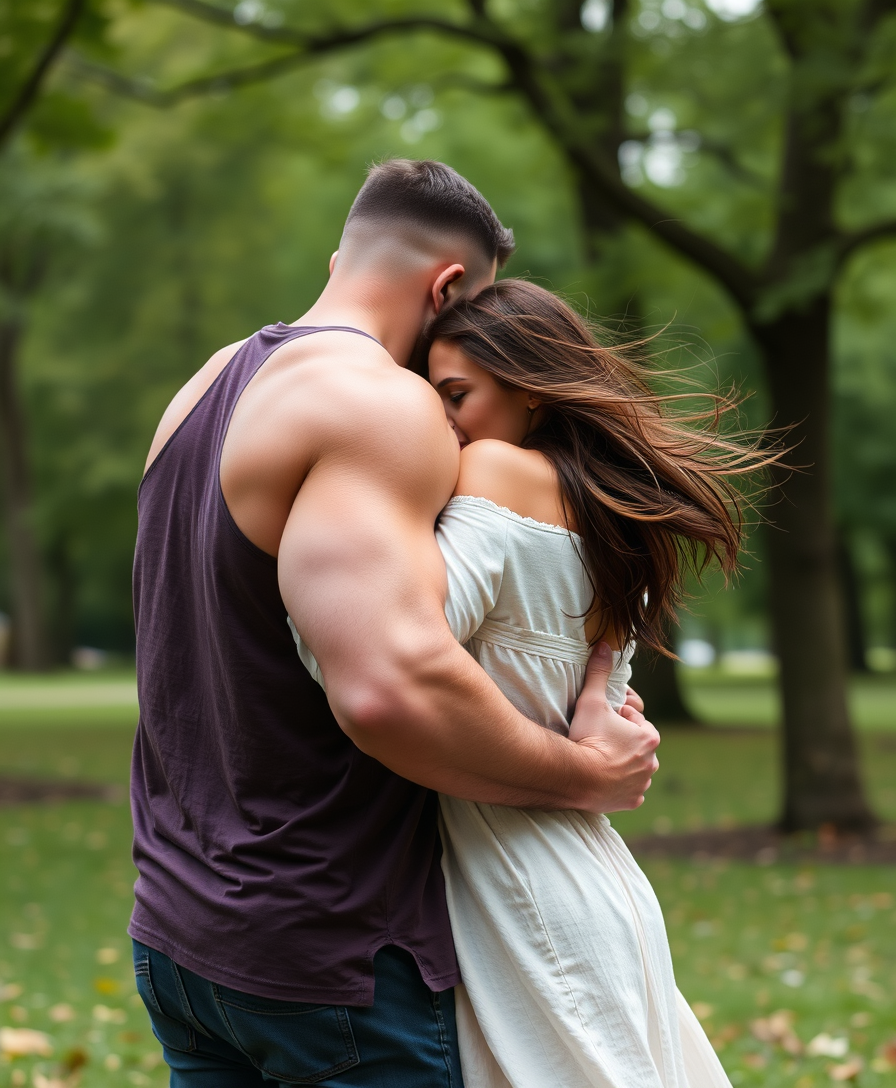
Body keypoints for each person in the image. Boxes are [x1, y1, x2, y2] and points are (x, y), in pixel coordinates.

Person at [130, 159, 659, 1087]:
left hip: (178, 936)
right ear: (448, 284)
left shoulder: (200, 393)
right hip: (332, 951)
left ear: (343, 255)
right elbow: (385, 689)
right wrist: (584, 774)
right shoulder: (382, 404)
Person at [424, 279, 773, 1087]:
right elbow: (600, 714)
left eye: (457, 395)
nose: (442, 421)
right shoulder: (616, 519)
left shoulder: (491, 471)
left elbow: (399, 649)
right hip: (592, 882)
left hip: (519, 891)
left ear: (533, 395)